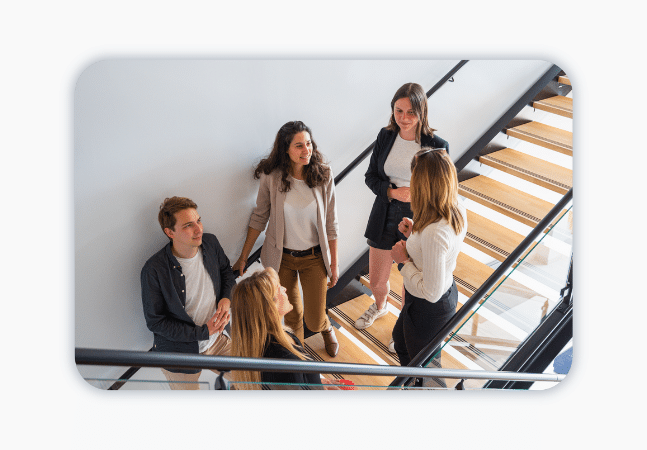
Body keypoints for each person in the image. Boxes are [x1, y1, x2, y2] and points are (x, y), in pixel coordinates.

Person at [232, 121, 340, 357]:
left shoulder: (324, 175)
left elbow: (331, 224)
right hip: (283, 259)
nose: (306, 150)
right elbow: (259, 217)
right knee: (291, 316)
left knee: (314, 317)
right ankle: (299, 358)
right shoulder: (272, 177)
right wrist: (242, 257)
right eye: (299, 146)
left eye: (309, 144)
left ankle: (326, 327)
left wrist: (334, 264)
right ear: (286, 149)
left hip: (314, 258)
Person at [357, 82, 449, 338]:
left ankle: (403, 326)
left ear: (422, 112)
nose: (404, 118)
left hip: (419, 218)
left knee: (411, 282)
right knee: (376, 280)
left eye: (410, 112)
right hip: (384, 212)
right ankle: (380, 306)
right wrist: (393, 192)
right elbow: (370, 177)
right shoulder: (385, 136)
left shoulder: (437, 145)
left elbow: (443, 189)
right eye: (399, 111)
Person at [141, 196, 235, 389]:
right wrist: (202, 332)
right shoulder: (154, 270)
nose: (199, 229)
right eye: (188, 225)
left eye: (198, 220)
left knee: (254, 379)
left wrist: (226, 297)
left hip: (218, 342)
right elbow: (156, 322)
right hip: (179, 355)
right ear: (170, 232)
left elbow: (226, 271)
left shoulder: (211, 243)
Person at [390, 148, 467, 373]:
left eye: (413, 177)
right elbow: (440, 248)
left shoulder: (435, 232)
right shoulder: (456, 207)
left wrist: (403, 262)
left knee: (425, 372)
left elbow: (431, 292)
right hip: (435, 297)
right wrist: (415, 233)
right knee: (400, 342)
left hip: (429, 307)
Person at [230, 268, 331, 390]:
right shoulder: (283, 360)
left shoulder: (280, 335)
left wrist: (318, 383)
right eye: (279, 289)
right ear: (270, 307)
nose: (284, 289)